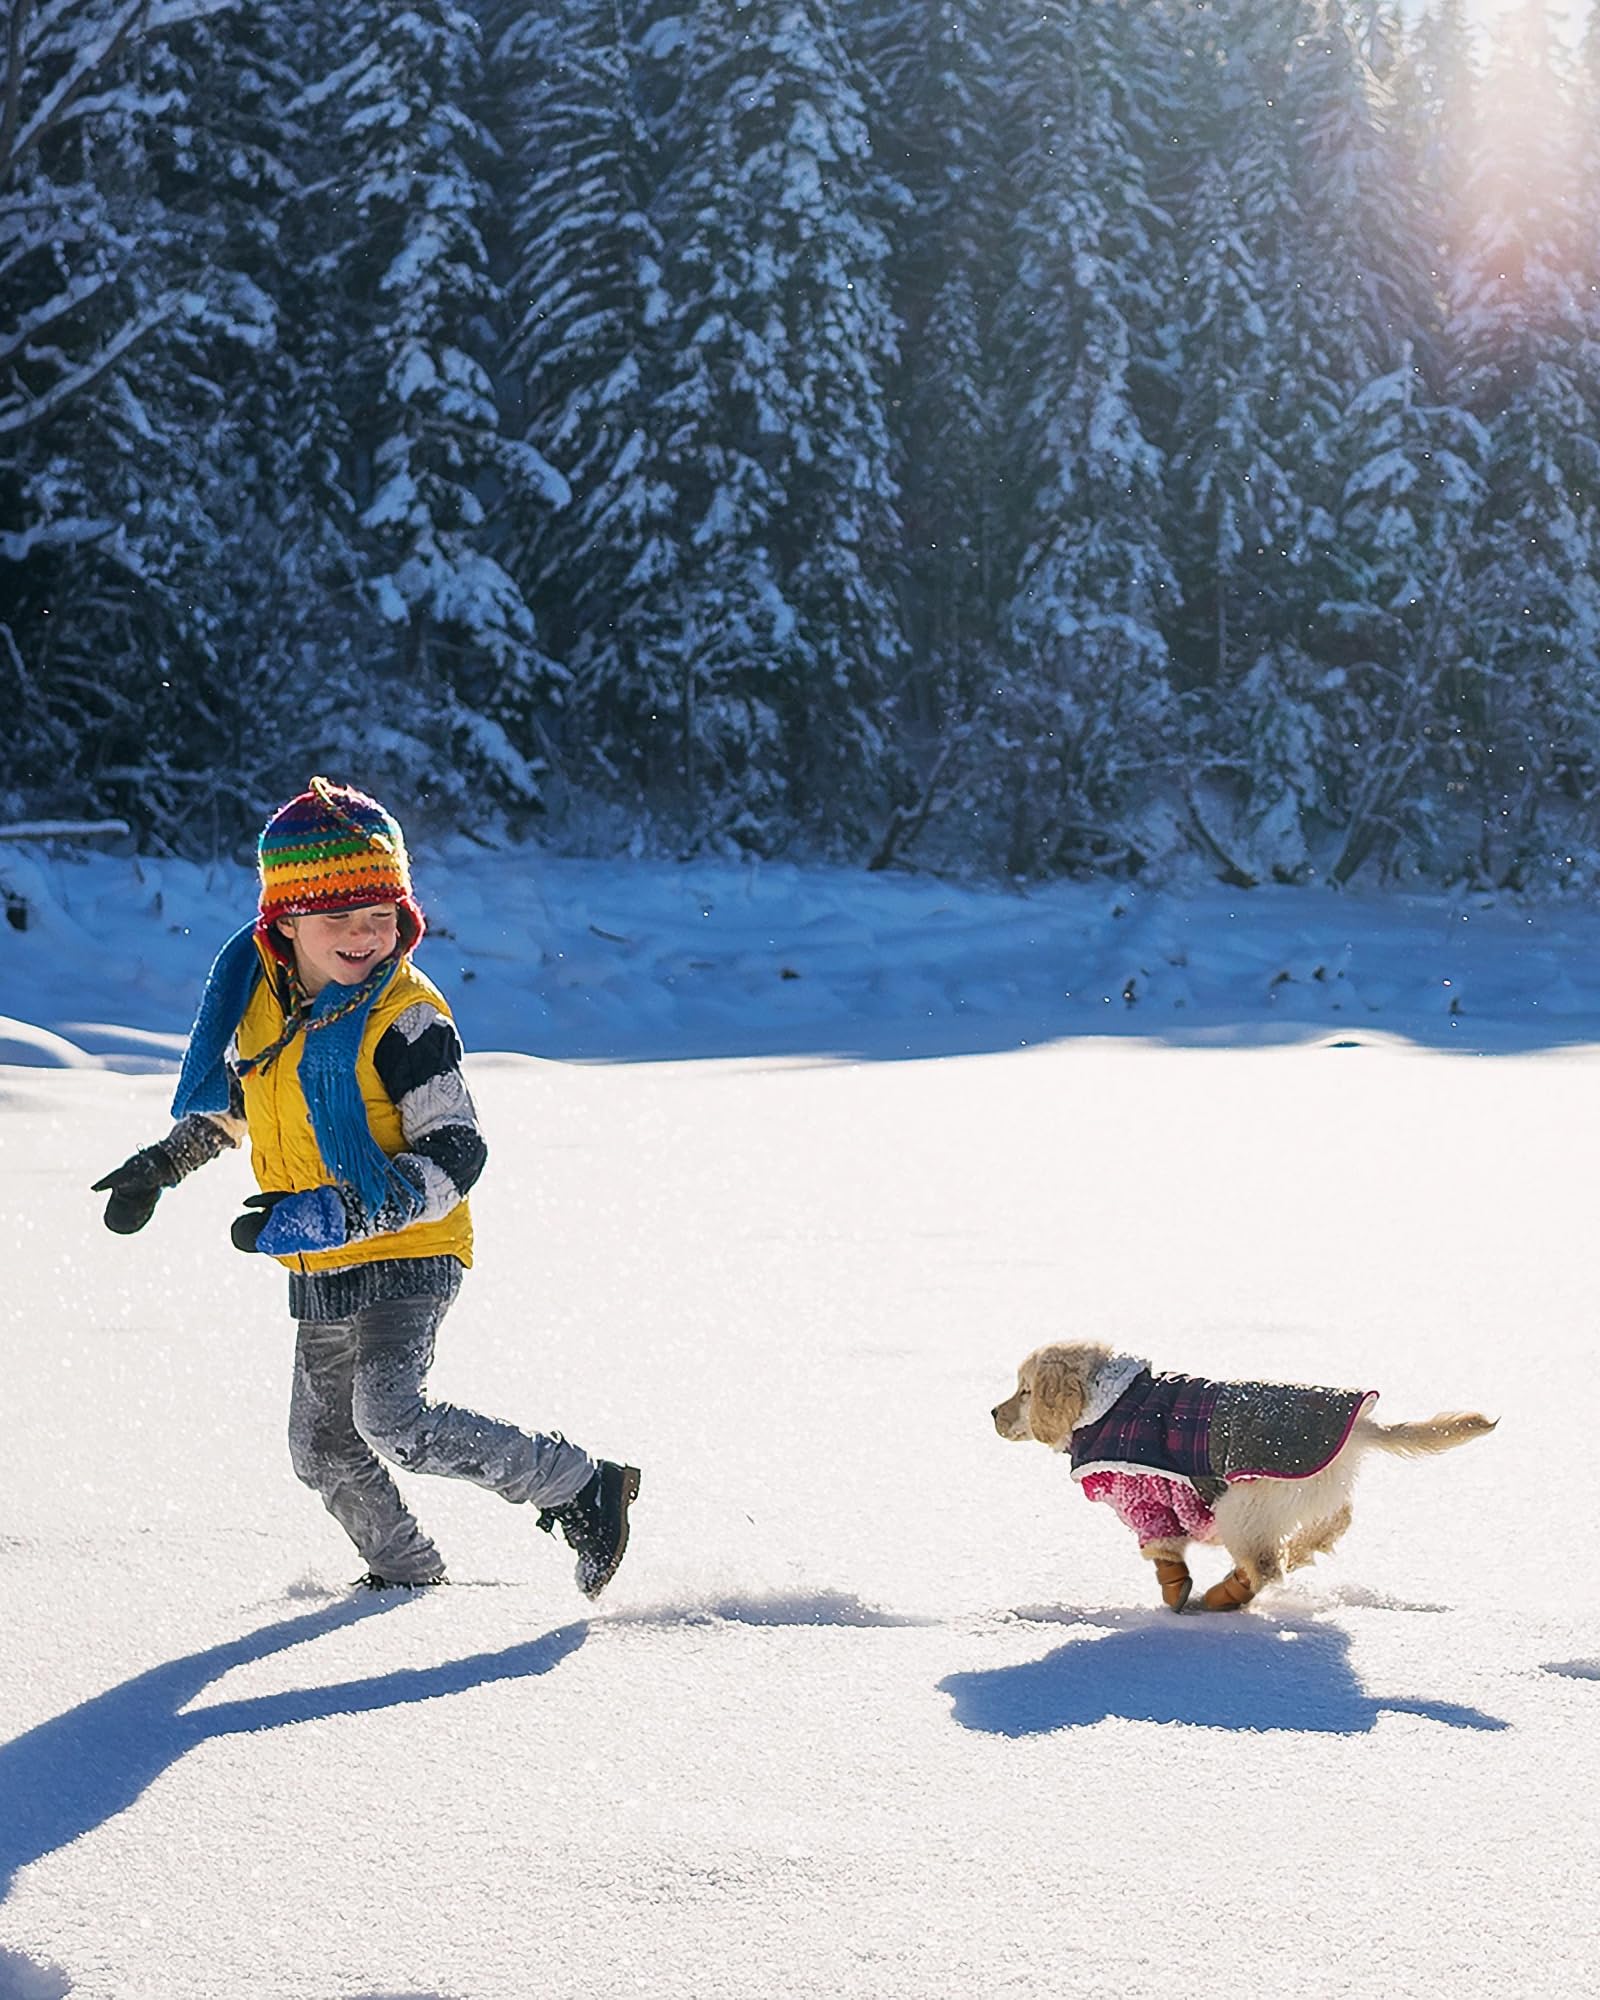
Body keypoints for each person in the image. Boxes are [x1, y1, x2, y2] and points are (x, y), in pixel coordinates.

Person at [91, 776, 640, 1598]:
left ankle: (580, 1485)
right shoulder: (263, 1002)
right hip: (320, 1257)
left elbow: (458, 1151)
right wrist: (164, 1165)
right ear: (284, 924)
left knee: (392, 1418)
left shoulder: (405, 1015)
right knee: (319, 1448)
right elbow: (254, 1105)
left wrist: (349, 1210)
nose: (362, 936)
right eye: (338, 919)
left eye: (379, 917)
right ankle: (406, 1575)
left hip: (411, 1245)